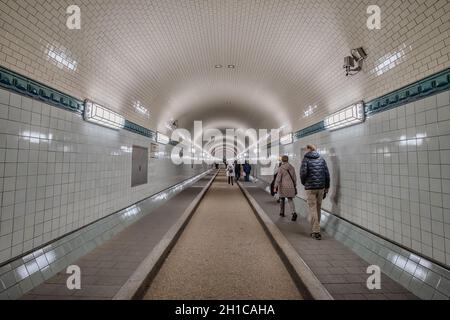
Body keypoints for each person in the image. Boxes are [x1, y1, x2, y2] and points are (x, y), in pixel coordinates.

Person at [300, 144, 330, 241]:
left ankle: (316, 231)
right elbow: (326, 173)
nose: (305, 151)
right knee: (318, 207)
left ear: (309, 149)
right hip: (321, 187)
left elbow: (303, 173)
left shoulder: (306, 159)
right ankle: (316, 228)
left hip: (311, 188)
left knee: (312, 208)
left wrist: (305, 183)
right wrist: (327, 186)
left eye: (306, 149)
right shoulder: (321, 159)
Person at [274, 156, 298, 221]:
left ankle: (282, 212)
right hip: (290, 186)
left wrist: (275, 186)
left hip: (283, 186)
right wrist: (294, 185)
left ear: (282, 160)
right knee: (290, 200)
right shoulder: (292, 167)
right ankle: (293, 213)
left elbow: (278, 178)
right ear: (287, 160)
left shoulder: (281, 168)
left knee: (282, 199)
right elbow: (294, 178)